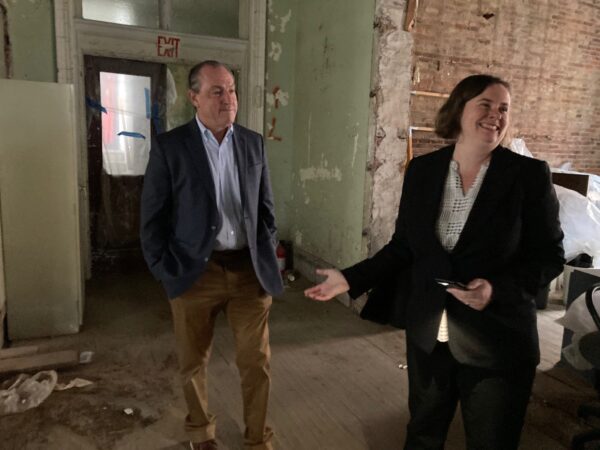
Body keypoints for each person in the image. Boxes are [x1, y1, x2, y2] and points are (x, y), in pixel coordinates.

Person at [305, 74, 565, 449]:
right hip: (431, 333)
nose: (496, 115)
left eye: (504, 109)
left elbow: (549, 256)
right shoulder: (424, 171)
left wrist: (496, 288)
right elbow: (404, 246)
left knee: (492, 440)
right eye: (486, 105)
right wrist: (349, 279)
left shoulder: (527, 175)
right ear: (459, 110)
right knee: (423, 433)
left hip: (498, 340)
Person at [140, 60, 283, 450]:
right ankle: (200, 431)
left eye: (232, 89)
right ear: (194, 97)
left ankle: (257, 437)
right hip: (192, 273)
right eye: (217, 91)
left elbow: (265, 209)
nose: (228, 99)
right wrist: (164, 271)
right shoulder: (172, 146)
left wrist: (266, 249)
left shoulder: (252, 143)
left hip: (247, 271)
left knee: (256, 362)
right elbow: (152, 217)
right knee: (193, 362)